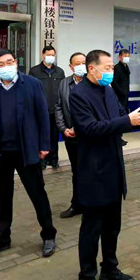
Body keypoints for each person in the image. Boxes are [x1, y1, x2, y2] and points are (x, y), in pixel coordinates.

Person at [70, 50, 140, 280]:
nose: (111, 72)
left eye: (112, 68)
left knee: (112, 227)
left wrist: (136, 118)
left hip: (114, 169)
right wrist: (127, 121)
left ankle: (109, 269)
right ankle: (87, 278)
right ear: (92, 69)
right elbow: (89, 128)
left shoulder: (107, 90)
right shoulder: (78, 94)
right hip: (93, 172)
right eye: (107, 68)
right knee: (91, 229)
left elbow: (119, 116)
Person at [0, 49, 57, 259]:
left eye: (9, 62)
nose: (6, 66)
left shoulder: (31, 84)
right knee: (2, 198)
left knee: (37, 194)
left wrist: (44, 145)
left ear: (15, 62)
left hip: (26, 150)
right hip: (1, 152)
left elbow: (43, 116)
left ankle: (48, 235)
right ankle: (1, 239)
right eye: (0, 64)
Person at [55, 52, 86, 219]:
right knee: (77, 171)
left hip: (89, 137)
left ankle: (92, 204)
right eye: (77, 63)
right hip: (71, 137)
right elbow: (59, 107)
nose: (81, 66)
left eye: (84, 62)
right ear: (71, 67)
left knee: (90, 170)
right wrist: (64, 129)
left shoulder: (94, 83)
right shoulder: (64, 83)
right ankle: (77, 204)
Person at [29, 45, 65, 169]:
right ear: (42, 55)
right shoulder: (34, 71)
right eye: (48, 55)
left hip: (55, 109)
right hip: (40, 109)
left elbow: (62, 89)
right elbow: (30, 90)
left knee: (54, 136)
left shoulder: (59, 71)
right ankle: (42, 160)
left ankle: (53, 159)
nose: (50, 57)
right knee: (42, 135)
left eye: (52, 55)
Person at [112, 49, 131, 146]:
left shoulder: (126, 66)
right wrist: (122, 92)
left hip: (125, 95)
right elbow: (114, 82)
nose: (127, 58)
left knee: (123, 116)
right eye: (125, 56)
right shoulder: (117, 67)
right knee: (119, 117)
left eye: (128, 56)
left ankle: (120, 137)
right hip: (119, 96)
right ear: (120, 57)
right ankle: (117, 138)